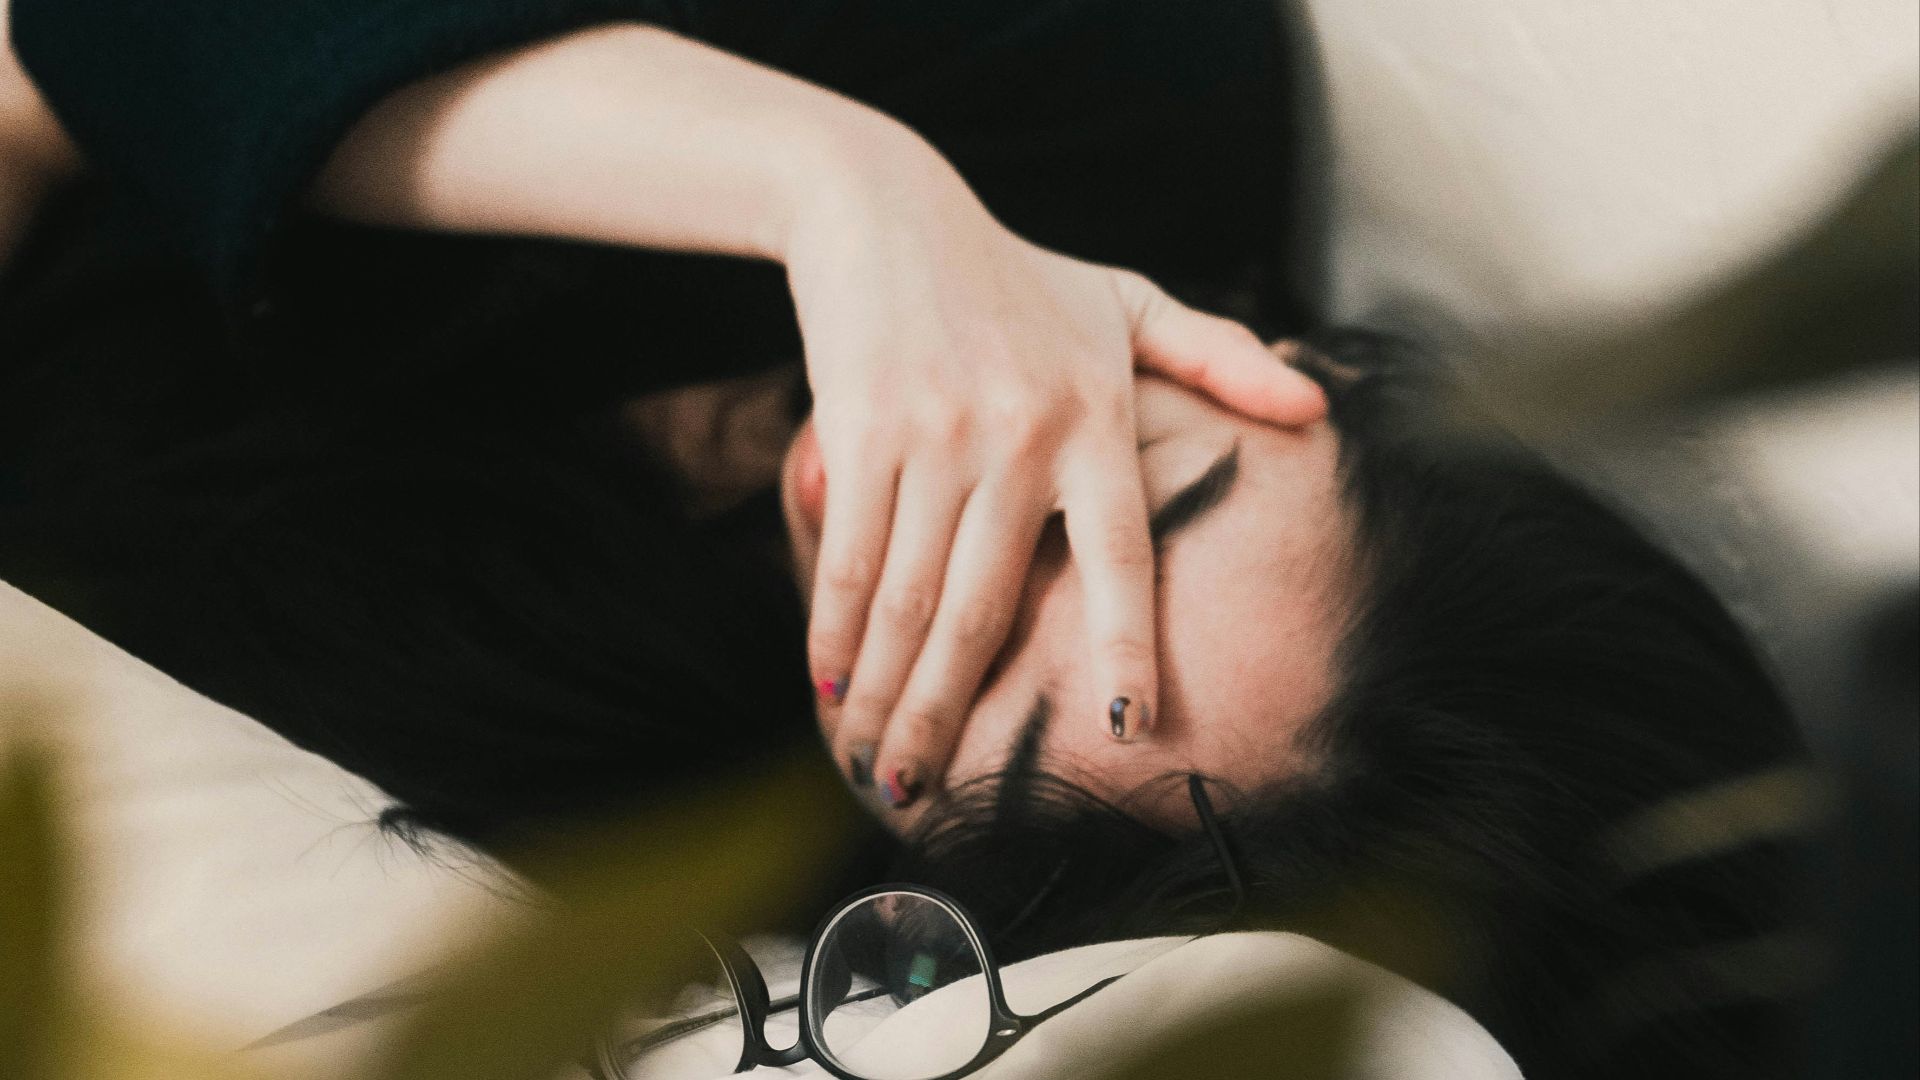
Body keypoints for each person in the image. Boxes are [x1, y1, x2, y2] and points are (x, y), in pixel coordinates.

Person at [0, 3, 1806, 1077]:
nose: (915, 528)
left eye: (968, 701)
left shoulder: (611, 805)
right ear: (1292, 375)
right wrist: (840, 186)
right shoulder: (1095, 75)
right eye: (1126, 504)